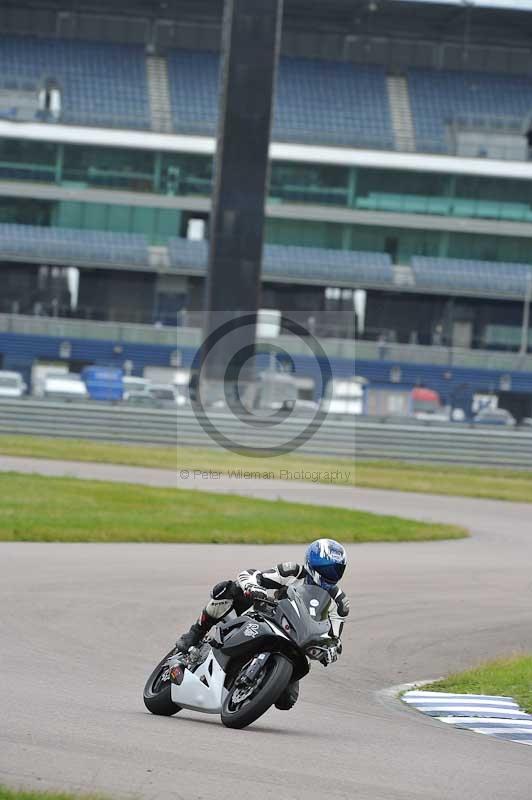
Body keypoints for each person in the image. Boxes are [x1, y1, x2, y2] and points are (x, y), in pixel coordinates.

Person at [175, 538, 349, 710]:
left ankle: (254, 687)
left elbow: (333, 636)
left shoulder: (339, 602)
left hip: (298, 642)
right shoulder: (293, 571)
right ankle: (196, 633)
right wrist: (253, 587)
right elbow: (251, 575)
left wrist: (332, 650)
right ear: (313, 563)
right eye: (327, 569)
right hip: (269, 617)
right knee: (229, 589)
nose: (331, 574)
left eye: (337, 570)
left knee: (287, 700)